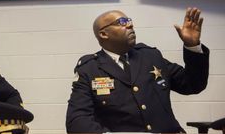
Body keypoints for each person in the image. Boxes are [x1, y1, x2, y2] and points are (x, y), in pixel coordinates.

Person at [66, 7, 209, 133]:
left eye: (129, 21)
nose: (130, 25)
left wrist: (192, 46)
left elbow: (193, 84)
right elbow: (77, 120)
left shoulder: (150, 56)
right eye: (122, 22)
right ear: (104, 34)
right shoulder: (89, 68)